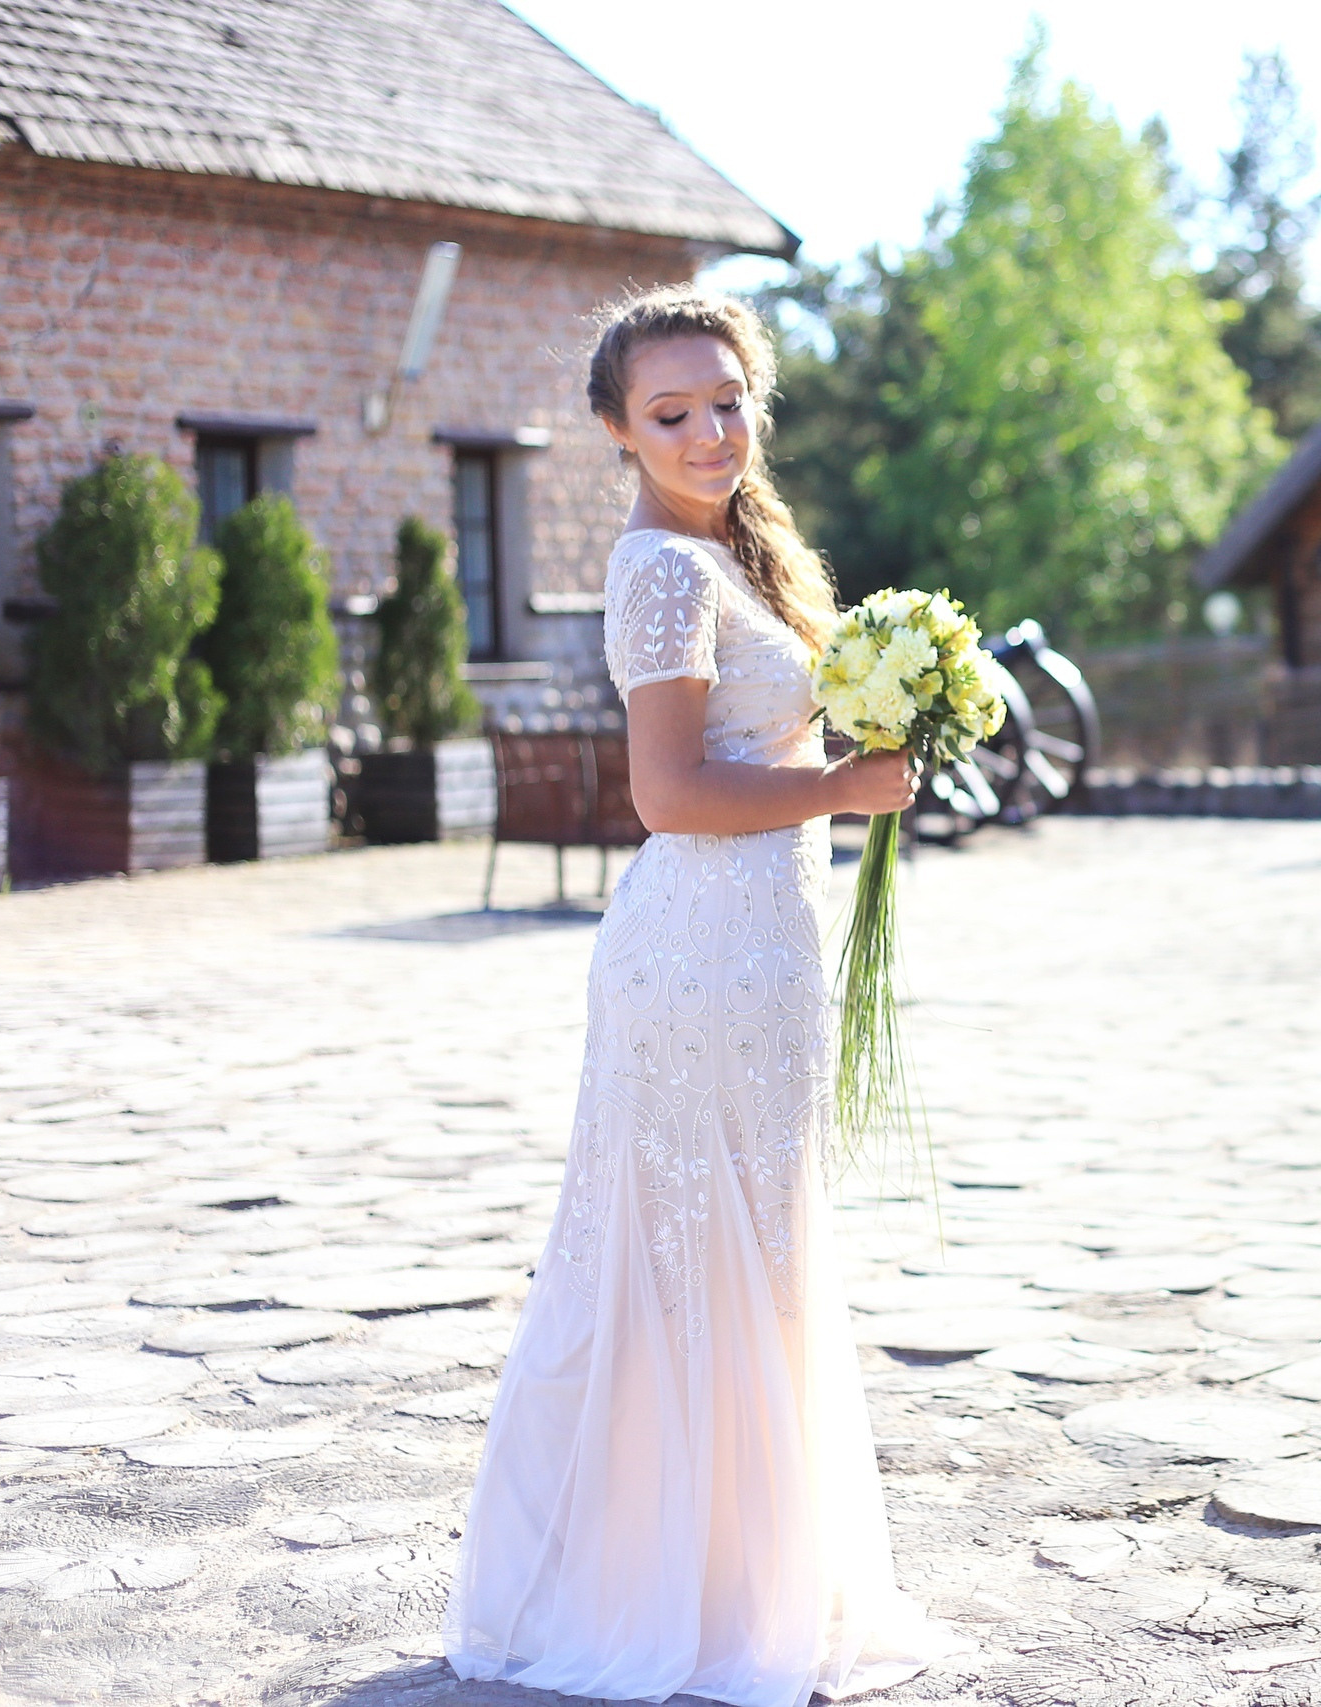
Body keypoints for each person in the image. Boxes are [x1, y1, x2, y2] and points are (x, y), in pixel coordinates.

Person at [444, 286, 945, 1704]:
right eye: (673, 414)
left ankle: (748, 1581)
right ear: (619, 429)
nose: (711, 432)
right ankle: (674, 1598)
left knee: (758, 1248)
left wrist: (889, 719)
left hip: (766, 940)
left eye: (728, 402)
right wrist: (851, 782)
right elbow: (668, 795)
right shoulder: (662, 572)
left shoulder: (743, 552)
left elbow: (757, 733)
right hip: (697, 953)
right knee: (687, 1250)